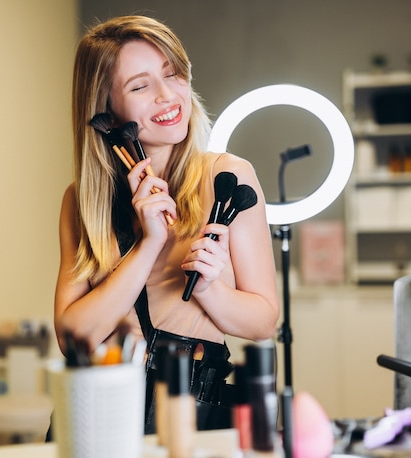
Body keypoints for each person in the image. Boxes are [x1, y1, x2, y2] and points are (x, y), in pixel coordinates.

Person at [53, 15, 279, 432]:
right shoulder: (83, 200)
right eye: (140, 86)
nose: (167, 96)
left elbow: (265, 321)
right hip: (99, 413)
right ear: (105, 106)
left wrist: (210, 290)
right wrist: (149, 243)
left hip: (191, 409)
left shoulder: (227, 179)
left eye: (173, 75)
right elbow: (74, 339)